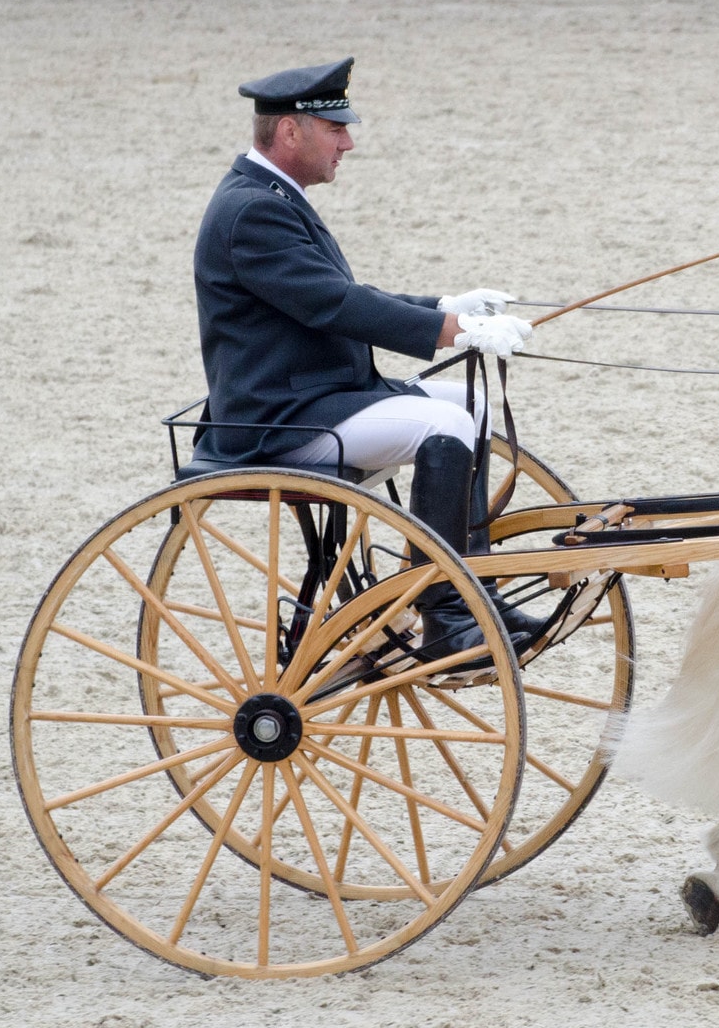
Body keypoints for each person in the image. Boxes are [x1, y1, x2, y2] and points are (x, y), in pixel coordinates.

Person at [191, 57, 541, 665]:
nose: (348, 141)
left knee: (472, 407)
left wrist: (444, 307)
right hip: (282, 420)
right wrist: (457, 331)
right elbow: (335, 303)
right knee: (448, 425)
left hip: (318, 396)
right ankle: (446, 614)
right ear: (292, 131)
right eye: (335, 129)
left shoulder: (271, 197)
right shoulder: (254, 211)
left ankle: (471, 586)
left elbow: (336, 297)